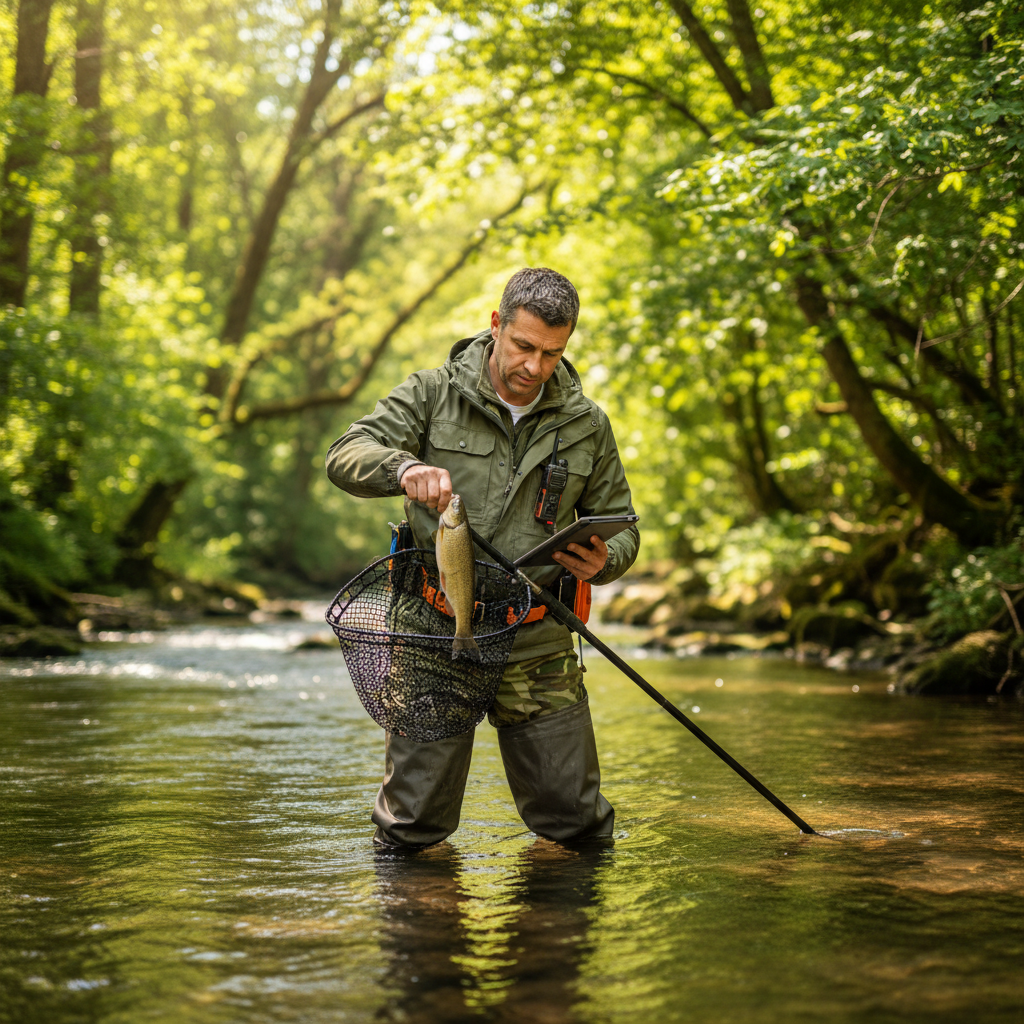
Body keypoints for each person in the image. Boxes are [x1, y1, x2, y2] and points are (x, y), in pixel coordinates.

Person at [326, 267, 640, 847]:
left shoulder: (587, 424)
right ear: (497, 325)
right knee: (411, 828)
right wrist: (404, 468)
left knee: (577, 825)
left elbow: (624, 525)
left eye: (552, 353)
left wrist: (608, 560)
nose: (534, 367)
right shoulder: (430, 393)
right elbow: (346, 453)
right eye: (523, 346)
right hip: (432, 630)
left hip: (538, 635)